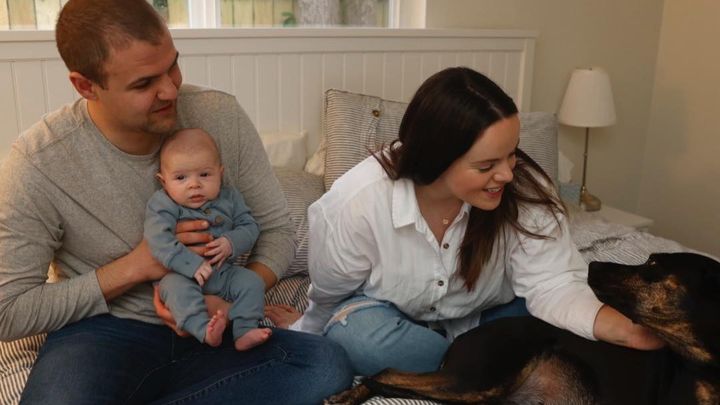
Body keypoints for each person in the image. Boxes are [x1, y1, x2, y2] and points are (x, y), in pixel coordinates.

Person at [0, 0, 352, 403]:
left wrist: (234, 298)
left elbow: (276, 230)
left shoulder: (219, 115)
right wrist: (135, 267)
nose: (170, 90)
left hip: (216, 317)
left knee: (325, 364)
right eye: (144, 83)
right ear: (85, 86)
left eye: (173, 66)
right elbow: (8, 310)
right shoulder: (38, 162)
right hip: (102, 332)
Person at [266, 67, 664, 377]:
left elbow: (553, 283)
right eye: (486, 165)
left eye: (512, 153)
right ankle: (489, 366)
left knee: (564, 325)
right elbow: (331, 298)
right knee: (356, 336)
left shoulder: (525, 187)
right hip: (391, 318)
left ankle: (469, 367)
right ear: (436, 158)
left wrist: (626, 331)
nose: (507, 174)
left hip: (490, 317)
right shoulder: (357, 203)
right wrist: (306, 331)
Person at [146, 128, 271, 351]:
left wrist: (231, 242)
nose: (194, 184)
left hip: (222, 273)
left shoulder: (229, 197)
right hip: (180, 274)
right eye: (181, 178)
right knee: (174, 290)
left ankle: (245, 330)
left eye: (204, 175)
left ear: (220, 173)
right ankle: (204, 330)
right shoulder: (163, 203)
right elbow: (158, 239)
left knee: (252, 282)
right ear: (163, 181)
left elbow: (250, 227)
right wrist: (190, 264)